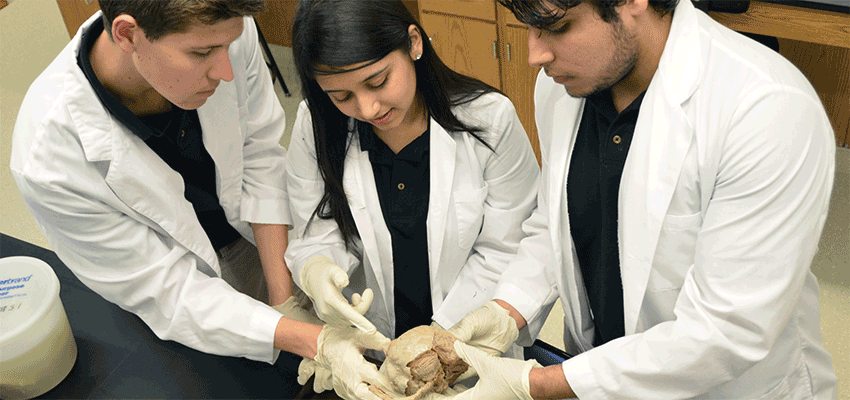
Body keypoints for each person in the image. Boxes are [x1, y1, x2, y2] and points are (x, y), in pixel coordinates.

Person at [438, 0, 839, 399]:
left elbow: (725, 331)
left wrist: (539, 384)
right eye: (527, 25)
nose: (534, 54)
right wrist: (507, 310)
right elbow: (558, 220)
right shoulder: (563, 85)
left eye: (557, 27)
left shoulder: (764, 107)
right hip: (600, 372)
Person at [9, 1, 392, 398]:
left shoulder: (218, 34)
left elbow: (259, 153)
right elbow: (169, 292)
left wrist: (283, 298)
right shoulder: (50, 160)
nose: (225, 70)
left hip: (257, 233)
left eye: (231, 45)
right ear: (127, 34)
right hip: (175, 274)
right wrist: (315, 342)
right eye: (202, 54)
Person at [284, 0, 540, 393]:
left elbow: (509, 245)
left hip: (467, 345)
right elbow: (315, 229)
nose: (368, 108)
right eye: (341, 96)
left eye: (378, 81)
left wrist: (438, 341)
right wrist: (317, 268)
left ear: (414, 43)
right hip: (371, 354)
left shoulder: (490, 119)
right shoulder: (316, 124)